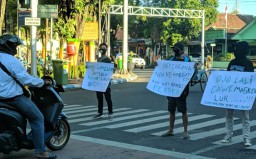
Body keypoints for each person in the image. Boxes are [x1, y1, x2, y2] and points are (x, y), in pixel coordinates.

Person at [0, 34, 56, 159]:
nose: (16, 49)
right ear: (8, 46)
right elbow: (25, 79)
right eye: (15, 46)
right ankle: (41, 151)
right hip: (14, 99)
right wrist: (42, 82)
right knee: (38, 118)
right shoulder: (12, 60)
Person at [221, 41, 254, 147]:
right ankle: (228, 135)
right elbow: (227, 77)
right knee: (229, 115)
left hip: (243, 95)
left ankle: (246, 137)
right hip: (231, 93)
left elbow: (250, 80)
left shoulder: (248, 64)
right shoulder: (232, 62)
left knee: (245, 116)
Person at [161, 42, 191, 139]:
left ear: (182, 51)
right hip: (171, 90)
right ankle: (170, 130)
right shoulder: (170, 60)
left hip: (182, 91)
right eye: (174, 49)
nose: (175, 51)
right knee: (171, 111)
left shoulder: (187, 61)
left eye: (177, 49)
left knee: (183, 111)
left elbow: (190, 74)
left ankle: (185, 131)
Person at [93, 43, 113, 119]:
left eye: (104, 48)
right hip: (99, 82)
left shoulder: (108, 60)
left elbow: (109, 71)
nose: (102, 49)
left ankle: (110, 112)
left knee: (108, 98)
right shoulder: (98, 59)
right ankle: (100, 112)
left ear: (106, 49)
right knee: (99, 97)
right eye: (101, 48)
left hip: (106, 82)